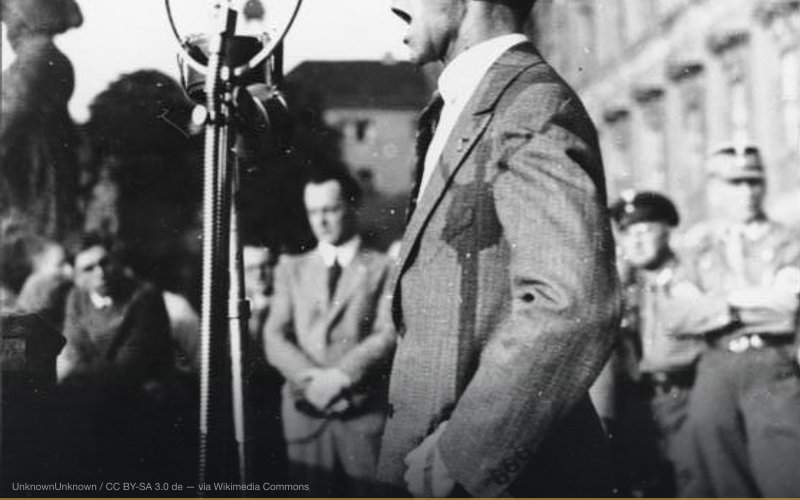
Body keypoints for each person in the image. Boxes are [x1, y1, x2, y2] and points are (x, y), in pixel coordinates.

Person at [377, 0, 621, 497]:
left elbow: (572, 303)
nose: (395, 5)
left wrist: (465, 452)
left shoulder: (531, 104)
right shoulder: (467, 103)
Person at [263, 171, 396, 496]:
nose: (320, 221)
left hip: (362, 416)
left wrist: (339, 377)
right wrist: (311, 381)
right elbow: (274, 336)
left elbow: (387, 333)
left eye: (330, 209)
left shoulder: (385, 268)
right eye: (313, 211)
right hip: (306, 416)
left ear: (352, 206)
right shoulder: (290, 268)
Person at [679, 144, 800, 497]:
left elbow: (785, 305)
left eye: (754, 182)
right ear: (715, 188)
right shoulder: (697, 246)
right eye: (735, 183)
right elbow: (682, 315)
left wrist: (719, 304)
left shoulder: (788, 241)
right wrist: (751, 301)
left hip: (771, 365)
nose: (747, 192)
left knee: (786, 476)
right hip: (716, 364)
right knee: (720, 476)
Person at [610, 191, 733, 496]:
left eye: (646, 230)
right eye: (627, 232)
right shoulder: (624, 285)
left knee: (697, 486)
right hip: (642, 404)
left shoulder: (693, 274)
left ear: (667, 230)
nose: (635, 241)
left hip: (690, 397)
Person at [55, 233, 173, 480]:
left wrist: (74, 380)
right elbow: (71, 353)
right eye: (88, 268)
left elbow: (128, 367)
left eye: (105, 262)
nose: (101, 273)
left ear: (117, 261)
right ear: (76, 276)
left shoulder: (145, 297)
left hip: (140, 404)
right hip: (92, 402)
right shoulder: (76, 299)